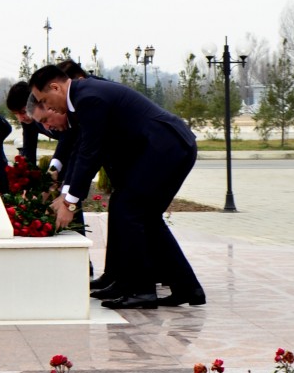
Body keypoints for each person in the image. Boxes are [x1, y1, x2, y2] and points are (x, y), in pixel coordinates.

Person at [29, 64, 205, 309]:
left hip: (167, 146)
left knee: (128, 208)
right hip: (168, 147)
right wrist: (66, 193)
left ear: (56, 87)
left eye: (44, 100)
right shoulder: (82, 97)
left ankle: (141, 290)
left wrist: (70, 201)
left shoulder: (87, 98)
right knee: (145, 216)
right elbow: (81, 149)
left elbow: (91, 152)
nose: (47, 107)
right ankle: (187, 287)